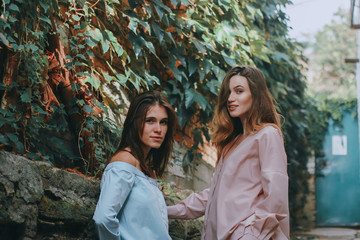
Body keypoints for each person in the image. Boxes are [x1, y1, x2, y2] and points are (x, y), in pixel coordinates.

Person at [167, 65, 289, 240]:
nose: (231, 98)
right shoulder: (231, 143)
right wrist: (167, 211)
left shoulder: (267, 135)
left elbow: (275, 197)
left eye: (239, 91)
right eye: (229, 93)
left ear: (256, 94)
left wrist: (249, 235)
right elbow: (215, 195)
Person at [93, 90, 178, 240]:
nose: (158, 129)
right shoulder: (125, 160)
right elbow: (103, 218)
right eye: (150, 120)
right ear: (135, 122)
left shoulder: (147, 169)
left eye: (163, 122)